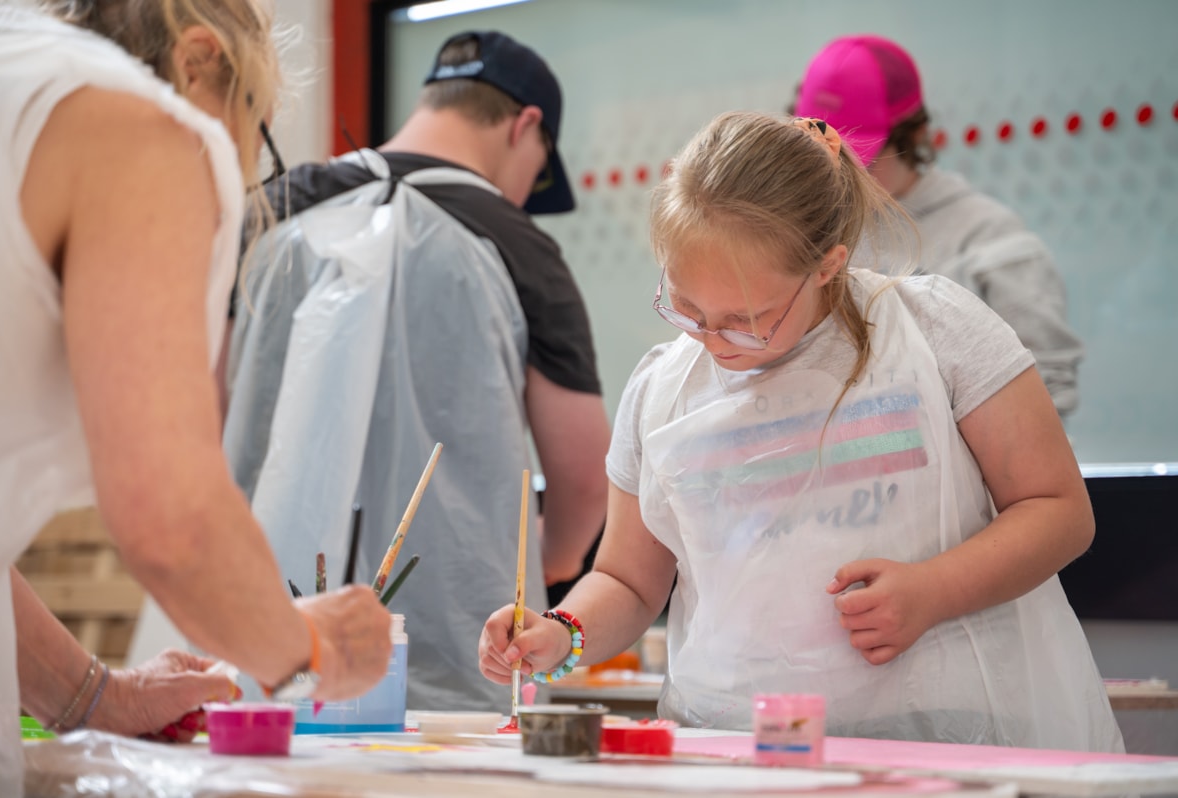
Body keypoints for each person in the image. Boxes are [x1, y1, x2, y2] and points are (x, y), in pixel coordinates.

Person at [478, 110, 1123, 751]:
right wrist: (561, 631)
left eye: (745, 318)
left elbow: (1058, 510)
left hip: (950, 736)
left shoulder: (934, 331)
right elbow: (628, 579)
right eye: (685, 307)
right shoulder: (663, 389)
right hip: (733, 743)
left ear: (827, 265)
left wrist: (934, 590)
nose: (712, 340)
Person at [0, 3, 392, 794]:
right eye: (254, 130)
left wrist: (93, 695)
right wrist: (310, 651)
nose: (237, 177)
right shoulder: (136, 125)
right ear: (196, 62)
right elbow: (172, 522)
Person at [223, 30, 609, 712]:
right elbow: (583, 477)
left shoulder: (272, 208)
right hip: (460, 669)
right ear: (527, 127)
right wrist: (549, 562)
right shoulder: (519, 245)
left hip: (258, 640)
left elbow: (208, 402)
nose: (522, 195)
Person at [793, 34, 1084, 419]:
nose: (847, 175)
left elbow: (1046, 393)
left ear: (912, 136)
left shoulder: (987, 239)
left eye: (862, 155)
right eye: (829, 155)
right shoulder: (808, 232)